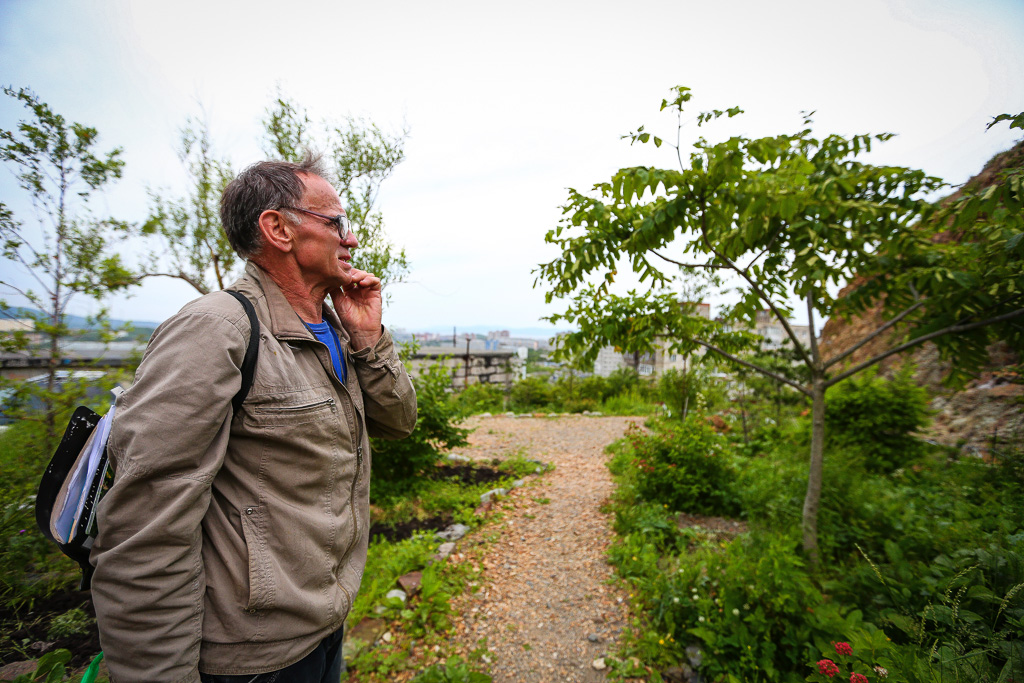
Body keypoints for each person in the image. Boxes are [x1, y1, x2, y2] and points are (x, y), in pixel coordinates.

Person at [90, 156, 417, 682]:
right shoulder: (215, 328)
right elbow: (144, 526)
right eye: (335, 223)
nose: (350, 240)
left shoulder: (332, 326)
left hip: (322, 629)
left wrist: (368, 337)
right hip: (249, 660)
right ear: (278, 228)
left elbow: (399, 421)